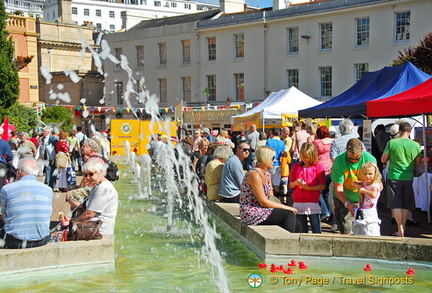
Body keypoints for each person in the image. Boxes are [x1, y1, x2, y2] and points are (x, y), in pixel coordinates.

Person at [239, 146, 298, 232]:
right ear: (265, 158)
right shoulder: (254, 175)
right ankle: (287, 244)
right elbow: (263, 201)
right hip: (251, 211)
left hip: (263, 209)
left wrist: (282, 207)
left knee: (297, 223)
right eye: (272, 158)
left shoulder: (267, 173)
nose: (274, 161)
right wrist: (285, 207)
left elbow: (271, 197)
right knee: (289, 215)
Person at [0, 158, 52, 248]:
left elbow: (5, 217)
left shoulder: (7, 189)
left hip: (16, 241)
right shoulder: (48, 190)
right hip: (42, 239)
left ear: (19, 172)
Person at [381, 122, 421, 237]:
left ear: (399, 131)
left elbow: (383, 160)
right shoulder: (416, 145)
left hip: (394, 176)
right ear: (410, 131)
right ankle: (403, 227)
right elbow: (418, 163)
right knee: (406, 204)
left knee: (396, 204)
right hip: (408, 177)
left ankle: (400, 229)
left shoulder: (392, 143)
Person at [331, 138, 376, 234]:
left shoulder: (370, 160)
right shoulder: (339, 161)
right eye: (350, 158)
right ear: (346, 151)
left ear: (362, 150)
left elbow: (375, 183)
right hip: (343, 196)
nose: (354, 161)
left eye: (357, 158)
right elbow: (338, 188)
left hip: (363, 198)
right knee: (345, 229)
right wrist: (347, 203)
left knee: (364, 230)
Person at [66, 158, 118, 236]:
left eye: (91, 174)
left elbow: (89, 214)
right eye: (85, 175)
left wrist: (73, 222)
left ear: (101, 172)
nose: (87, 177)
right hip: (93, 228)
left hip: (98, 231)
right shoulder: (97, 187)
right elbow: (87, 211)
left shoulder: (103, 188)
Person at [289, 143, 325, 233]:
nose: (306, 159)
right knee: (301, 230)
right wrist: (296, 183)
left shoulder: (318, 166)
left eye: (309, 157)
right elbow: (291, 185)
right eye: (304, 156)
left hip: (312, 202)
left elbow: (322, 185)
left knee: (316, 229)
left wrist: (309, 188)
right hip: (298, 202)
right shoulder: (296, 166)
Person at [351, 162, 383, 236]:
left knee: (370, 230)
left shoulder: (375, 185)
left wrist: (364, 190)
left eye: (370, 174)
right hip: (362, 209)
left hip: (370, 211)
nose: (367, 176)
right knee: (359, 230)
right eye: (365, 174)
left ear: (375, 174)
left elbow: (374, 195)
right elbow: (353, 183)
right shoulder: (365, 183)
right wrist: (358, 186)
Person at [312, 126, 334, 220]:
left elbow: (312, 153)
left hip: (319, 169)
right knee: (327, 192)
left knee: (317, 191)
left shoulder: (317, 143)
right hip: (331, 168)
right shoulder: (333, 141)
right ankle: (329, 212)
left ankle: (324, 211)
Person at [265, 127, 286, 194]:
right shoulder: (282, 143)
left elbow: (267, 151)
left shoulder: (269, 141)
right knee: (276, 184)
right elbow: (284, 153)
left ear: (271, 133)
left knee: (269, 183)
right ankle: (277, 199)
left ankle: (270, 198)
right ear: (279, 133)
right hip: (279, 164)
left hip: (270, 163)